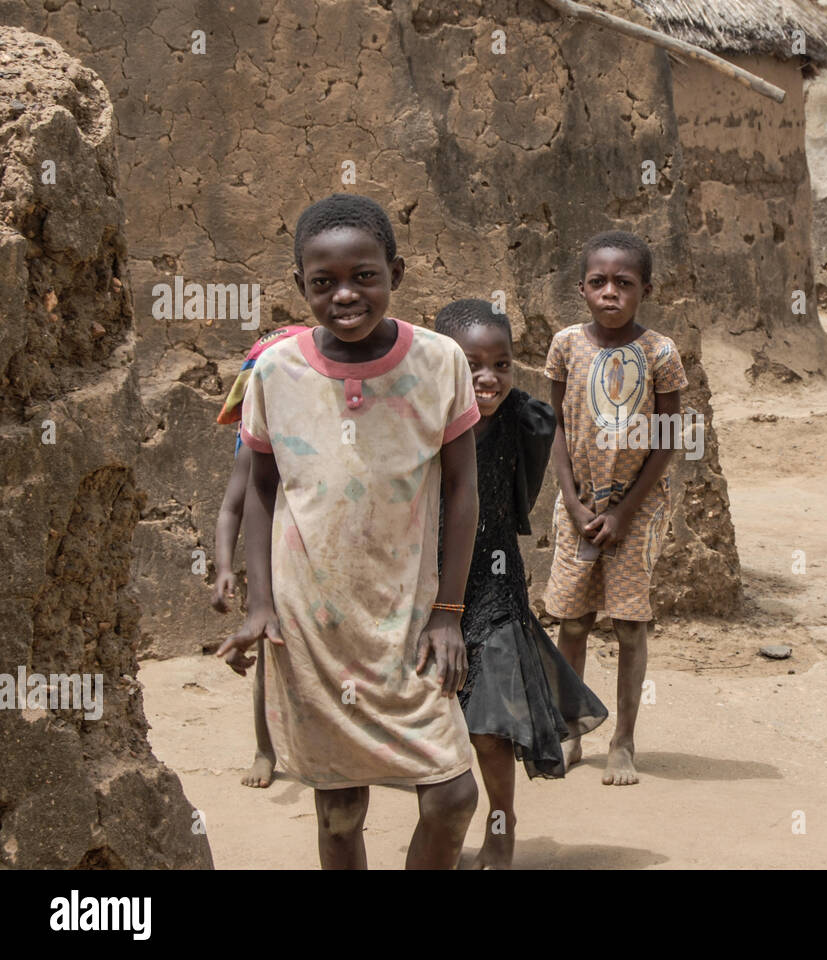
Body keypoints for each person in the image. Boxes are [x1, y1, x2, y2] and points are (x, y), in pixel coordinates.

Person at [217, 194, 480, 869]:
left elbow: (461, 492)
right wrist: (259, 602)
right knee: (339, 813)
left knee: (451, 796)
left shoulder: (441, 363)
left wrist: (448, 613)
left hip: (409, 622)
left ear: (396, 270)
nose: (345, 295)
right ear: (297, 285)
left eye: (364, 276)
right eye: (322, 282)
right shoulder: (275, 371)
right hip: (312, 627)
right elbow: (261, 490)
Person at [434, 298, 607, 869]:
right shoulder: (421, 420)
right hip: (431, 590)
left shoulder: (524, 421)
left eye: (501, 365)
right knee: (439, 717)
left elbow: (520, 498)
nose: (488, 378)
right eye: (471, 364)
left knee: (490, 724)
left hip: (495, 585)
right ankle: (440, 835)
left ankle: (500, 829)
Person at [543, 230, 688, 787]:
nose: (610, 292)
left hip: (638, 512)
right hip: (577, 506)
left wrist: (625, 512)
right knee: (573, 622)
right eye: (599, 282)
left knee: (629, 627)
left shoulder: (660, 353)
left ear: (644, 289)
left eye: (623, 283)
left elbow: (669, 439)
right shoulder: (565, 346)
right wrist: (575, 503)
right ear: (582, 288)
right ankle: (571, 731)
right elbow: (555, 424)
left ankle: (623, 742)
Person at [211, 323, 309, 789]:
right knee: (271, 657)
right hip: (273, 564)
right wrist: (227, 568)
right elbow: (233, 506)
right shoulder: (254, 447)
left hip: (322, 561)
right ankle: (265, 749)